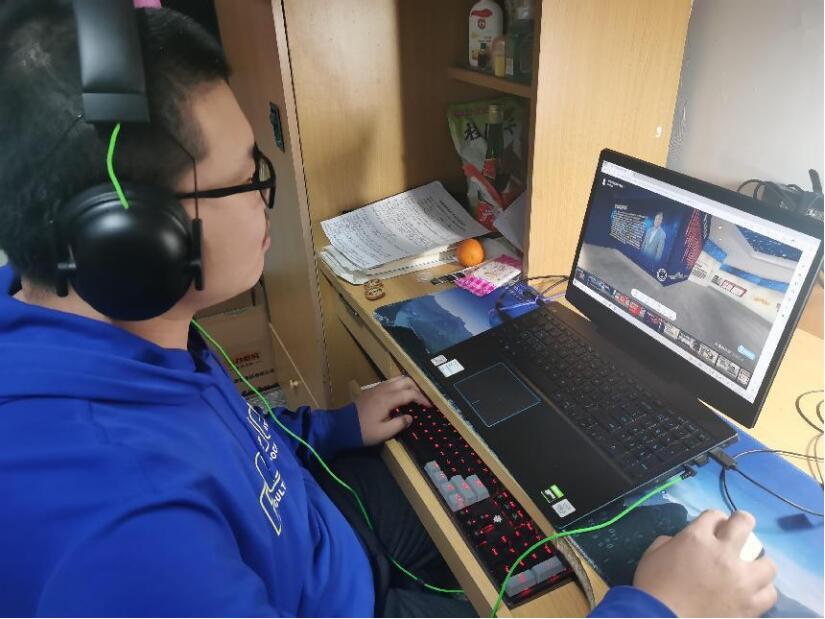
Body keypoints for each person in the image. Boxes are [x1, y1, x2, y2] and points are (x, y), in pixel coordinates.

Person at [0, 3, 778, 617]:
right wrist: (662, 608)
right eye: (246, 174)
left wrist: (330, 427)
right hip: (349, 596)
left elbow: (223, 447)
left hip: (323, 531)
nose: (269, 193)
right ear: (135, 238)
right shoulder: (126, 538)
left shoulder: (99, 332)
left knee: (529, 479)